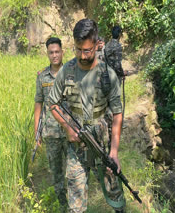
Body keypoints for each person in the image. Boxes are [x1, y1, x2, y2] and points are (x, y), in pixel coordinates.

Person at [48, 18, 126, 213]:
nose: (82, 55)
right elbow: (53, 104)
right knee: (75, 206)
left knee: (115, 196)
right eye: (78, 49)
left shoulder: (108, 74)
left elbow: (117, 113)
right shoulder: (67, 71)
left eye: (87, 50)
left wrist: (114, 152)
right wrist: (67, 127)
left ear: (96, 44)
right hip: (76, 147)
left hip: (103, 144)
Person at [34, 37, 67, 209]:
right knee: (56, 173)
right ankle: (63, 205)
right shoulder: (42, 76)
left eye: (57, 51)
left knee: (75, 172)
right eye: (51, 52)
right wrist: (36, 132)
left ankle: (77, 206)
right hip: (51, 133)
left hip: (71, 132)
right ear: (47, 54)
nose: (54, 55)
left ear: (62, 52)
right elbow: (38, 103)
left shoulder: (71, 72)